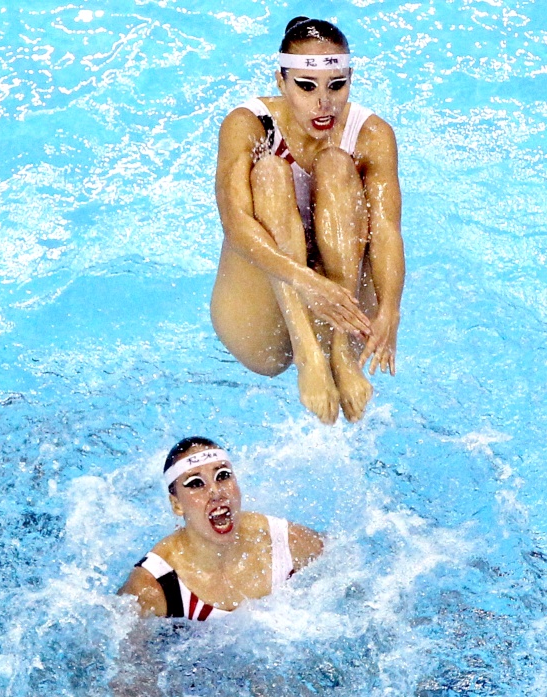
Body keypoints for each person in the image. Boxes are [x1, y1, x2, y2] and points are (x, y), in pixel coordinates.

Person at [211, 16, 405, 425]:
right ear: (280, 81)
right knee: (269, 173)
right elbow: (235, 223)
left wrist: (391, 309)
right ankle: (306, 352)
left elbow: (387, 228)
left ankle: (337, 352)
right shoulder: (247, 124)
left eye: (337, 86)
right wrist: (305, 281)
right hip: (269, 294)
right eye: (306, 86)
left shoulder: (371, 134)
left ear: (350, 79)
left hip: (340, 295)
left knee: (336, 164)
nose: (324, 103)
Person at [118, 437, 323, 620]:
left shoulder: (285, 542)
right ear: (177, 505)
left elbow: (345, 570)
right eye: (196, 483)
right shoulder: (154, 585)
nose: (216, 492)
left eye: (223, 475)